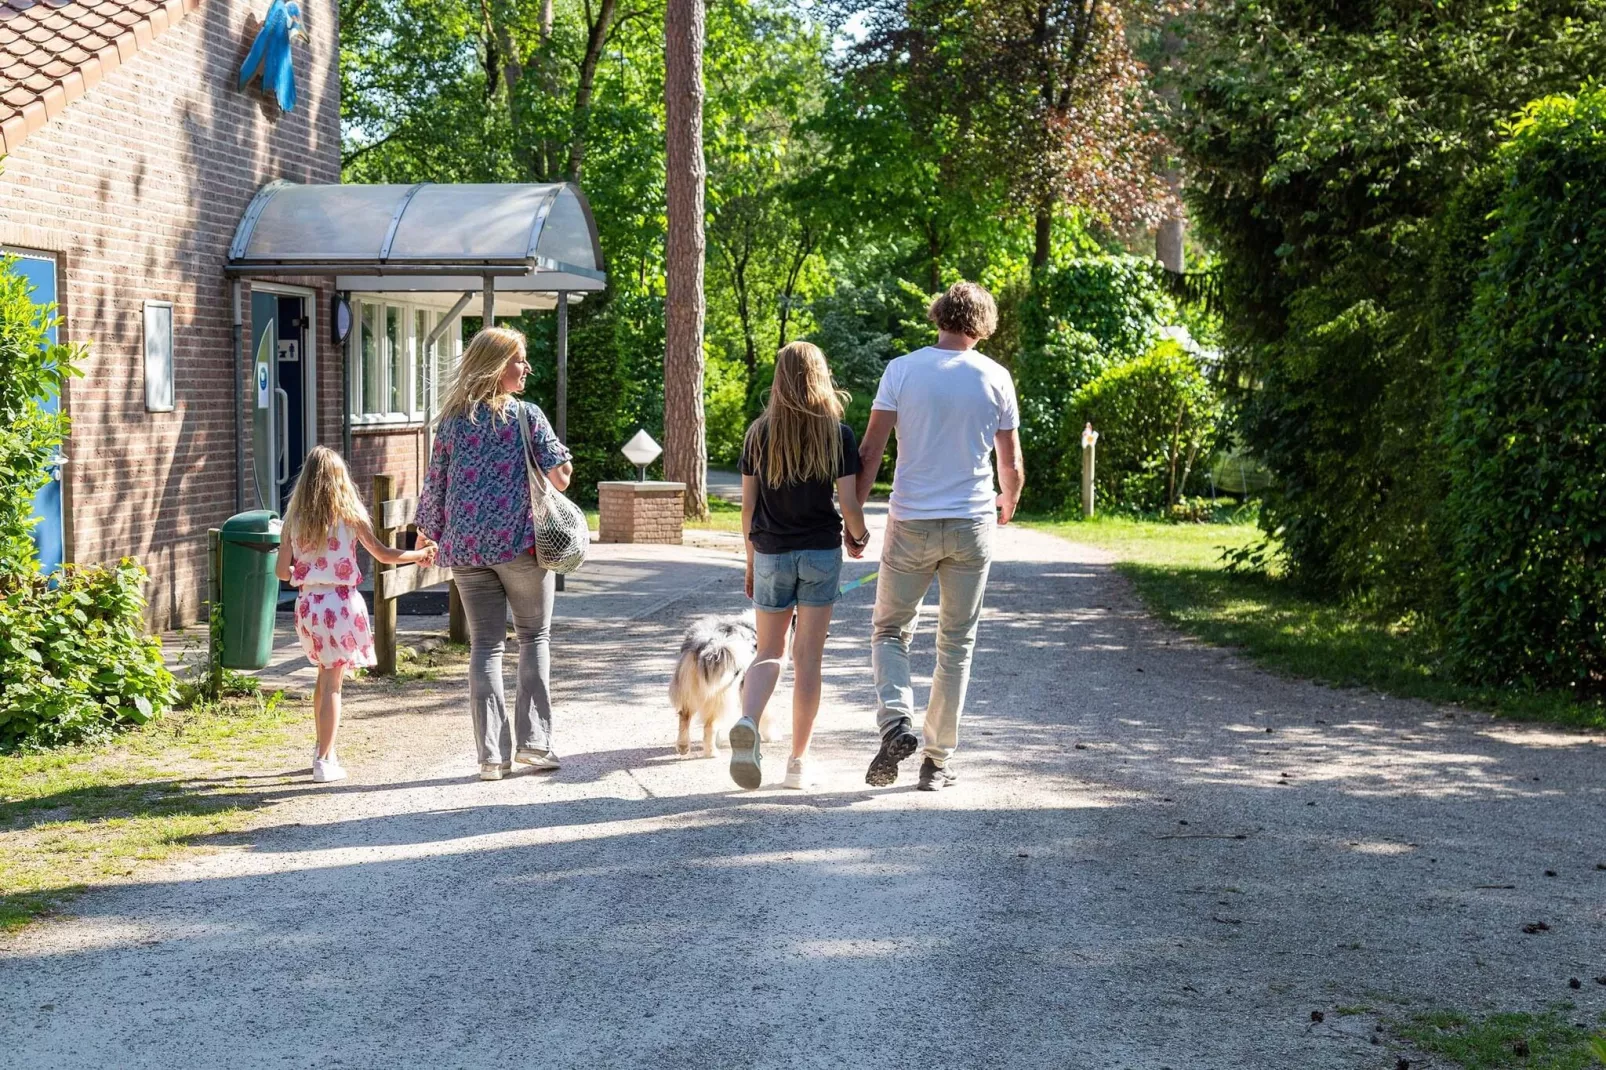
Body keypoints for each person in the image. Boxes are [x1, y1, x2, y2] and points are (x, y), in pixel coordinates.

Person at [855, 281, 1024, 791]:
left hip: (912, 522)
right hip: (972, 524)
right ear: (983, 323)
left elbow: (872, 449)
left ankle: (895, 723)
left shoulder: (902, 370)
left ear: (939, 316)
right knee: (956, 643)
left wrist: (854, 516)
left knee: (890, 630)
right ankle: (936, 761)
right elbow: (1010, 463)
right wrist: (1008, 498)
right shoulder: (996, 376)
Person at [416, 327, 574, 782]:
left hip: (466, 549)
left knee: (485, 646)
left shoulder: (451, 421)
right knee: (533, 638)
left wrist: (428, 536)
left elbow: (435, 487)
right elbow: (560, 477)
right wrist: (563, 461)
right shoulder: (527, 416)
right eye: (520, 360)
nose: (526, 368)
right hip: (522, 545)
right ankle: (534, 745)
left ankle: (490, 757)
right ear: (498, 365)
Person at [729, 341, 872, 791]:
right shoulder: (837, 434)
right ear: (820, 376)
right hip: (819, 553)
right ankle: (797, 762)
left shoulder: (758, 433)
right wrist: (859, 536)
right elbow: (848, 504)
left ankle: (749, 720)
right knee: (808, 658)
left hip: (770, 551)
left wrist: (751, 561)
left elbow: (747, 510)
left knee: (769, 651)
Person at [276, 446, 435, 784]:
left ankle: (324, 747)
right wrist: (418, 555)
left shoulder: (293, 520)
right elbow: (383, 553)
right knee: (334, 684)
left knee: (323, 676)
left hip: (308, 606)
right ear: (340, 480)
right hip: (340, 603)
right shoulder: (350, 516)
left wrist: (305, 573)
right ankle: (323, 761)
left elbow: (281, 572)